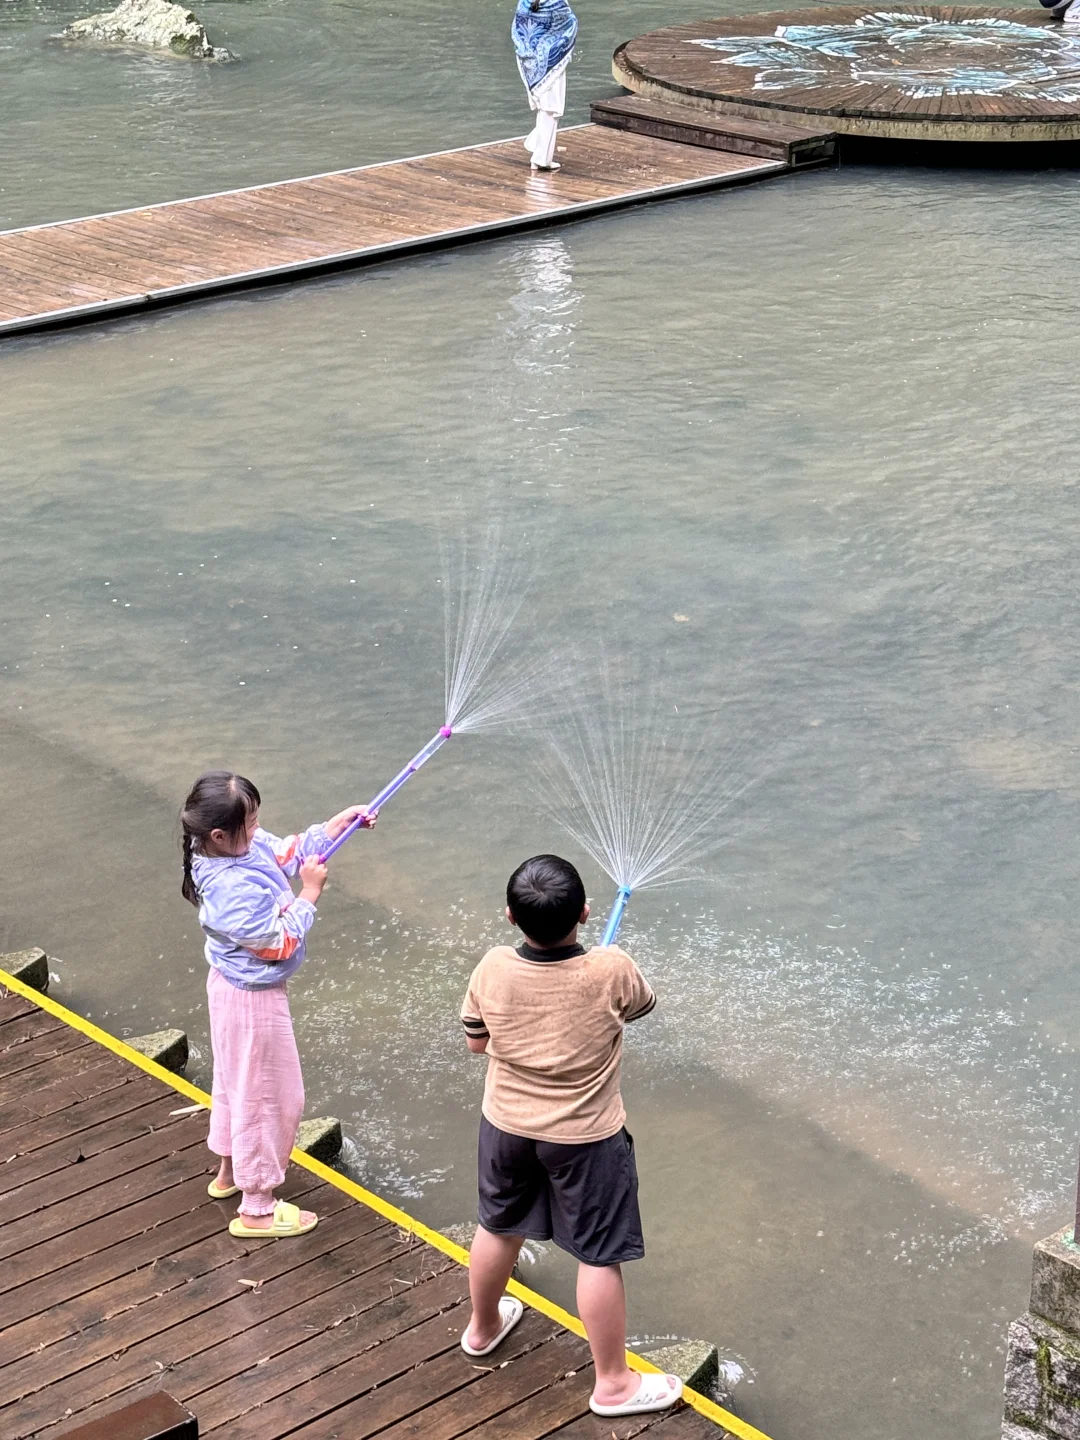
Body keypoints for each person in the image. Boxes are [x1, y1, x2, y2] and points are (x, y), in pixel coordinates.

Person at [459, 854, 683, 1418]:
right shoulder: (611, 968)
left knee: (498, 1225)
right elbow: (640, 1008)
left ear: (510, 917)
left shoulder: (491, 966)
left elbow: (477, 1043)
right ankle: (613, 1385)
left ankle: (483, 1329)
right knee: (599, 1255)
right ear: (585, 912)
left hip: (506, 1125)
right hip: (586, 1137)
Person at [180, 770, 374, 1239]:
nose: (257, 830)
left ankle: (230, 1173)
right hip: (252, 999)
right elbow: (277, 943)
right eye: (249, 824)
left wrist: (333, 828)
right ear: (220, 834)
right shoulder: (230, 890)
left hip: (231, 987)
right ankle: (258, 1206)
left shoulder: (217, 845)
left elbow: (281, 851)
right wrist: (310, 892)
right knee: (270, 1097)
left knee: (234, 1082)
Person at [512, 0, 578, 173]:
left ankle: (537, 147)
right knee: (551, 109)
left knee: (546, 108)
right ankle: (541, 159)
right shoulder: (558, 4)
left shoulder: (524, 3)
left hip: (530, 63)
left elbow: (518, 31)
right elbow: (569, 24)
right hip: (551, 64)